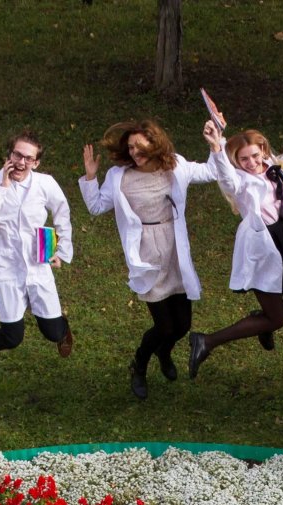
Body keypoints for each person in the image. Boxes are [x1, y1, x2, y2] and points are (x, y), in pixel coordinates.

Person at [79, 120, 217, 400]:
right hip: (146, 252)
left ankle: (163, 352)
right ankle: (140, 363)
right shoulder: (120, 176)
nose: (134, 152)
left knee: (183, 325)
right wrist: (91, 177)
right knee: (164, 325)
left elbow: (212, 171)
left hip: (174, 248)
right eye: (130, 147)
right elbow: (96, 207)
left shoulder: (175, 167)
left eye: (140, 147)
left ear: (156, 145)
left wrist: (216, 144)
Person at [188, 122, 283, 379]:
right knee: (276, 320)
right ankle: (206, 341)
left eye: (255, 155)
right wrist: (217, 147)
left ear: (263, 149)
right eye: (244, 159)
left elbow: (279, 195)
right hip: (261, 246)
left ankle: (261, 322)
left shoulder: (273, 167)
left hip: (281, 238)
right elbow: (228, 180)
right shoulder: (240, 180)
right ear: (236, 160)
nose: (252, 162)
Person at [0, 131, 74, 379]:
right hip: (5, 266)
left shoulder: (45, 183)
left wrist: (62, 251)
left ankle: (63, 331)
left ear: (36, 163)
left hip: (38, 261)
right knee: (12, 336)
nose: (21, 162)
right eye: (18, 154)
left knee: (52, 331)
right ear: (9, 154)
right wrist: (3, 187)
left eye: (29, 158)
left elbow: (62, 213)